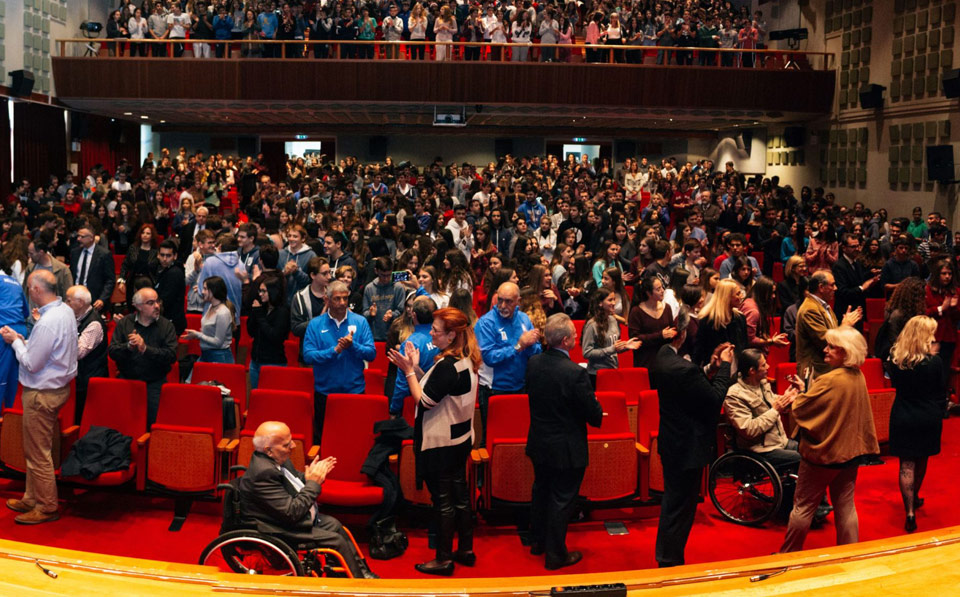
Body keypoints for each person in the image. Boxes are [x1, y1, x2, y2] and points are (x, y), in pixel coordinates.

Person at [387, 307, 480, 576]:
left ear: (451, 335)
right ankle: (465, 549)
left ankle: (442, 559)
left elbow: (424, 400)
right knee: (460, 497)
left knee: (443, 502)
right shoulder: (464, 358)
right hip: (460, 438)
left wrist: (407, 372)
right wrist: (416, 366)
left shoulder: (448, 366)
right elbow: (439, 385)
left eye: (436, 331)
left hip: (441, 444)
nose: (431, 333)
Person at [780, 325, 879, 552]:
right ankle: (849, 555)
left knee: (803, 508)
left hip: (822, 456)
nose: (825, 350)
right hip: (850, 454)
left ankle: (788, 555)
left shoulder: (830, 380)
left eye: (831, 347)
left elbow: (803, 409)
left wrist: (799, 395)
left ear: (844, 351)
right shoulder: (858, 376)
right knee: (845, 507)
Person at [239, 421, 376, 579]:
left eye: (291, 440)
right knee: (335, 540)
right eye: (286, 444)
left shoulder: (278, 459)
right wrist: (313, 483)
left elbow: (295, 481)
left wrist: (311, 475)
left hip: (285, 515)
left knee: (334, 524)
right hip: (276, 525)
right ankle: (357, 583)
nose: (293, 446)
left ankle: (362, 573)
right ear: (269, 451)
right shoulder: (263, 474)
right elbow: (292, 512)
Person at [653, 307, 733, 567]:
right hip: (688, 446)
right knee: (681, 507)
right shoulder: (685, 369)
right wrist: (726, 368)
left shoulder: (662, 357)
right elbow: (713, 399)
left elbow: (691, 390)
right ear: (683, 333)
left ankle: (667, 556)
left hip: (672, 441)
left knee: (672, 502)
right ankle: (669, 560)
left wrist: (709, 370)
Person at [524, 313, 603, 570]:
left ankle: (538, 542)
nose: (577, 338)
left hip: (539, 442)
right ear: (567, 340)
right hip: (566, 447)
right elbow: (592, 412)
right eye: (575, 336)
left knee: (541, 490)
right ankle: (556, 555)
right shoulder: (574, 373)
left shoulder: (533, 363)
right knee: (561, 499)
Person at [1, 270, 77, 525]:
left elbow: (32, 363)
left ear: (35, 290)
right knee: (34, 448)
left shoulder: (47, 321)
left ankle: (46, 506)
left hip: (42, 393)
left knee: (38, 452)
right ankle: (32, 496)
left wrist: (15, 342)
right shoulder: (64, 311)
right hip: (55, 389)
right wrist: (25, 341)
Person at [888, 316, 946, 533]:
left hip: (903, 413)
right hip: (928, 415)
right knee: (922, 458)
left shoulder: (896, 359)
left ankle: (909, 510)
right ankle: (916, 496)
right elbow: (941, 390)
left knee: (906, 464)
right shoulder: (935, 362)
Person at [302, 281, 376, 445]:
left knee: (354, 439)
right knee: (325, 440)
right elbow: (308, 356)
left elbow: (371, 354)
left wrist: (352, 346)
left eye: (345, 298)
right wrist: (334, 351)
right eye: (337, 299)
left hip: (354, 392)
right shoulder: (315, 324)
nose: (342, 303)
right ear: (327, 300)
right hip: (325, 394)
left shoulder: (360, 322)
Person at [474, 282, 542, 441]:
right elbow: (490, 357)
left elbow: (536, 351)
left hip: (520, 387)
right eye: (500, 300)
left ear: (518, 300)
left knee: (517, 435)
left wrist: (531, 344)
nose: (503, 306)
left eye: (509, 301)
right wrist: (519, 345)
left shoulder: (524, 319)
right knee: (492, 437)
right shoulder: (486, 323)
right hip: (495, 390)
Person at [109, 288, 179, 427]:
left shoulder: (166, 326)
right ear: (138, 306)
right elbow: (112, 351)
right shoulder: (125, 324)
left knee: (152, 426)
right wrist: (128, 347)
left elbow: (171, 356)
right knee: (122, 425)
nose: (157, 306)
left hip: (154, 385)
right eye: (151, 303)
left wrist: (145, 349)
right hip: (127, 382)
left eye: (157, 301)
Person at [724, 348, 801, 470]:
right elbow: (749, 429)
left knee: (811, 451)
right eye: (764, 365)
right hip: (760, 450)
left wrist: (788, 398)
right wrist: (775, 410)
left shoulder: (761, 383)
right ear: (752, 371)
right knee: (803, 459)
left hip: (780, 442)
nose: (768, 366)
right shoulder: (734, 395)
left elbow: (770, 402)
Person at [795, 271, 861, 379]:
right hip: (816, 372)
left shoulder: (824, 306)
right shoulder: (810, 309)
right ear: (821, 287)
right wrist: (845, 326)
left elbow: (834, 333)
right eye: (832, 285)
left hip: (826, 370)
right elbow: (827, 341)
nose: (835, 288)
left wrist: (845, 326)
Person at [65, 285, 108, 425]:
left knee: (81, 422)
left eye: (69, 300)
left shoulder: (94, 324)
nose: (66, 304)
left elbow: (78, 352)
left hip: (89, 385)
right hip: (78, 380)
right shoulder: (76, 317)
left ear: (81, 303)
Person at [389, 296, 439, 417]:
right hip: (438, 399)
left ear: (414, 315)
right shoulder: (441, 337)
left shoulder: (410, 344)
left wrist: (394, 409)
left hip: (414, 403)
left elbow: (402, 382)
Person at [581, 288, 640, 386]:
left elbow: (614, 347)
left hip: (612, 371)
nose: (613, 303)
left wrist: (625, 346)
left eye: (614, 299)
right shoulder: (592, 325)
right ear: (600, 303)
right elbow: (587, 352)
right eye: (610, 300)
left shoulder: (613, 320)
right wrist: (612, 349)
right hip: (597, 374)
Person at [694, 279, 748, 370]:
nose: (741, 296)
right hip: (714, 372)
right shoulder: (707, 321)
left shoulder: (740, 318)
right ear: (727, 297)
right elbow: (699, 352)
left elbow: (745, 347)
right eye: (738, 294)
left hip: (736, 371)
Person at [247, 277, 290, 390]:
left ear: (273, 291)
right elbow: (251, 332)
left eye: (263, 291)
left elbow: (274, 336)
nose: (260, 294)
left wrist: (259, 315)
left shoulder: (282, 311)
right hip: (255, 361)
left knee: (271, 400)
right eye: (259, 291)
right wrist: (254, 312)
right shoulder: (262, 308)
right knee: (256, 398)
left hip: (273, 363)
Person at [627, 276, 676, 372]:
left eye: (662, 287)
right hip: (646, 360)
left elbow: (671, 330)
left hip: (664, 360)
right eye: (658, 289)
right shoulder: (637, 311)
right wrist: (660, 335)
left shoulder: (667, 308)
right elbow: (635, 338)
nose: (662, 291)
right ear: (649, 293)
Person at [183, 276, 235, 365]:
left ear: (213, 291)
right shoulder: (211, 306)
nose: (202, 291)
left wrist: (198, 335)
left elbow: (218, 342)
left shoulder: (222, 313)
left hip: (219, 357)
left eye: (205, 288)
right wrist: (196, 335)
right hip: (206, 354)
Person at [832, 233, 877, 326]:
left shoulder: (857, 262)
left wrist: (871, 278)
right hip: (845, 312)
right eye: (853, 247)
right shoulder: (839, 266)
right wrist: (862, 288)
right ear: (844, 248)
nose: (857, 249)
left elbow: (858, 280)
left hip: (858, 310)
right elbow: (843, 292)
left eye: (858, 246)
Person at [0, 261, 28, 408]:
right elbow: (26, 312)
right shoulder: (15, 282)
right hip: (19, 329)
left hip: (3, 331)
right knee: (12, 376)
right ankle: (10, 416)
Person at [70, 224, 116, 313]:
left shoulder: (104, 254)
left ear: (91, 238)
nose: (78, 239)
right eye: (78, 236)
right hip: (75, 297)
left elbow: (110, 280)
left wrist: (102, 299)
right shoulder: (75, 253)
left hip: (94, 299)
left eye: (82, 236)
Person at [363, 257, 407, 342]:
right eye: (383, 275)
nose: (386, 279)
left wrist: (393, 314)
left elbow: (402, 311)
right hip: (374, 335)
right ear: (376, 271)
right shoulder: (369, 288)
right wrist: (370, 313)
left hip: (394, 335)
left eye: (389, 275)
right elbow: (364, 312)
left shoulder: (398, 287)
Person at [153, 239, 187, 335]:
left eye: (168, 256)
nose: (164, 259)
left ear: (175, 256)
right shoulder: (164, 270)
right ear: (158, 255)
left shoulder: (174, 273)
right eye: (162, 255)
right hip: (167, 321)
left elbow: (166, 300)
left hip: (171, 323)